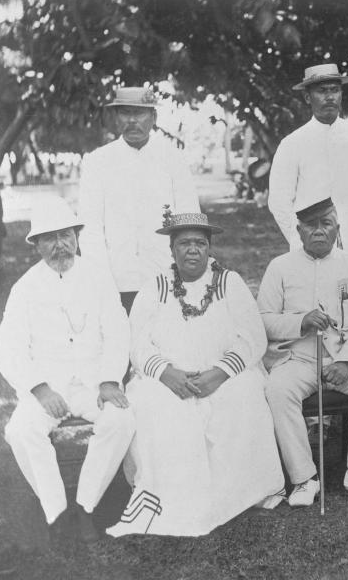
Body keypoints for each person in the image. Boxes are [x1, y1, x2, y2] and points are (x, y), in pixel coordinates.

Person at [107, 211, 284, 537]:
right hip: (171, 379)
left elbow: (253, 337)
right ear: (172, 250)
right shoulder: (156, 287)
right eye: (185, 243)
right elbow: (137, 343)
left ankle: (243, 491)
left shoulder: (229, 282)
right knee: (151, 404)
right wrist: (166, 373)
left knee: (245, 395)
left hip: (223, 373)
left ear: (209, 248)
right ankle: (170, 493)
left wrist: (219, 373)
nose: (193, 250)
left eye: (200, 243)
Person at [0, 196, 133, 543]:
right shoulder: (25, 288)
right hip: (47, 386)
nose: (60, 245)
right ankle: (57, 511)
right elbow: (8, 349)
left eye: (66, 235)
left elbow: (118, 332)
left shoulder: (99, 278)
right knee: (21, 431)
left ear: (76, 236)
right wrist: (39, 389)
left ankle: (86, 505)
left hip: (92, 382)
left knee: (121, 420)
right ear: (36, 245)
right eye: (50, 237)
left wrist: (108, 380)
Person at [258, 198, 348, 507]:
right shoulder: (280, 267)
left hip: (347, 359)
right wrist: (300, 322)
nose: (318, 231)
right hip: (299, 359)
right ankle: (304, 478)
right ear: (299, 230)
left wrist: (346, 363)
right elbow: (263, 320)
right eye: (311, 225)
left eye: (326, 224)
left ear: (337, 229)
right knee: (278, 389)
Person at [268, 63, 348, 306]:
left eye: (335, 89)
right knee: (317, 322)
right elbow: (279, 201)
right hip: (310, 247)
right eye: (322, 91)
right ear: (307, 96)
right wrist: (302, 236)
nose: (330, 96)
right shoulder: (292, 143)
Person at [78, 86, 201, 313]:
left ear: (153, 117)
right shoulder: (98, 162)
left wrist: (184, 272)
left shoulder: (172, 158)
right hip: (116, 278)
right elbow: (89, 228)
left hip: (165, 273)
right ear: (115, 118)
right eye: (125, 113)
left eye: (141, 113)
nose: (133, 120)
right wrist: (101, 278)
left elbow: (190, 219)